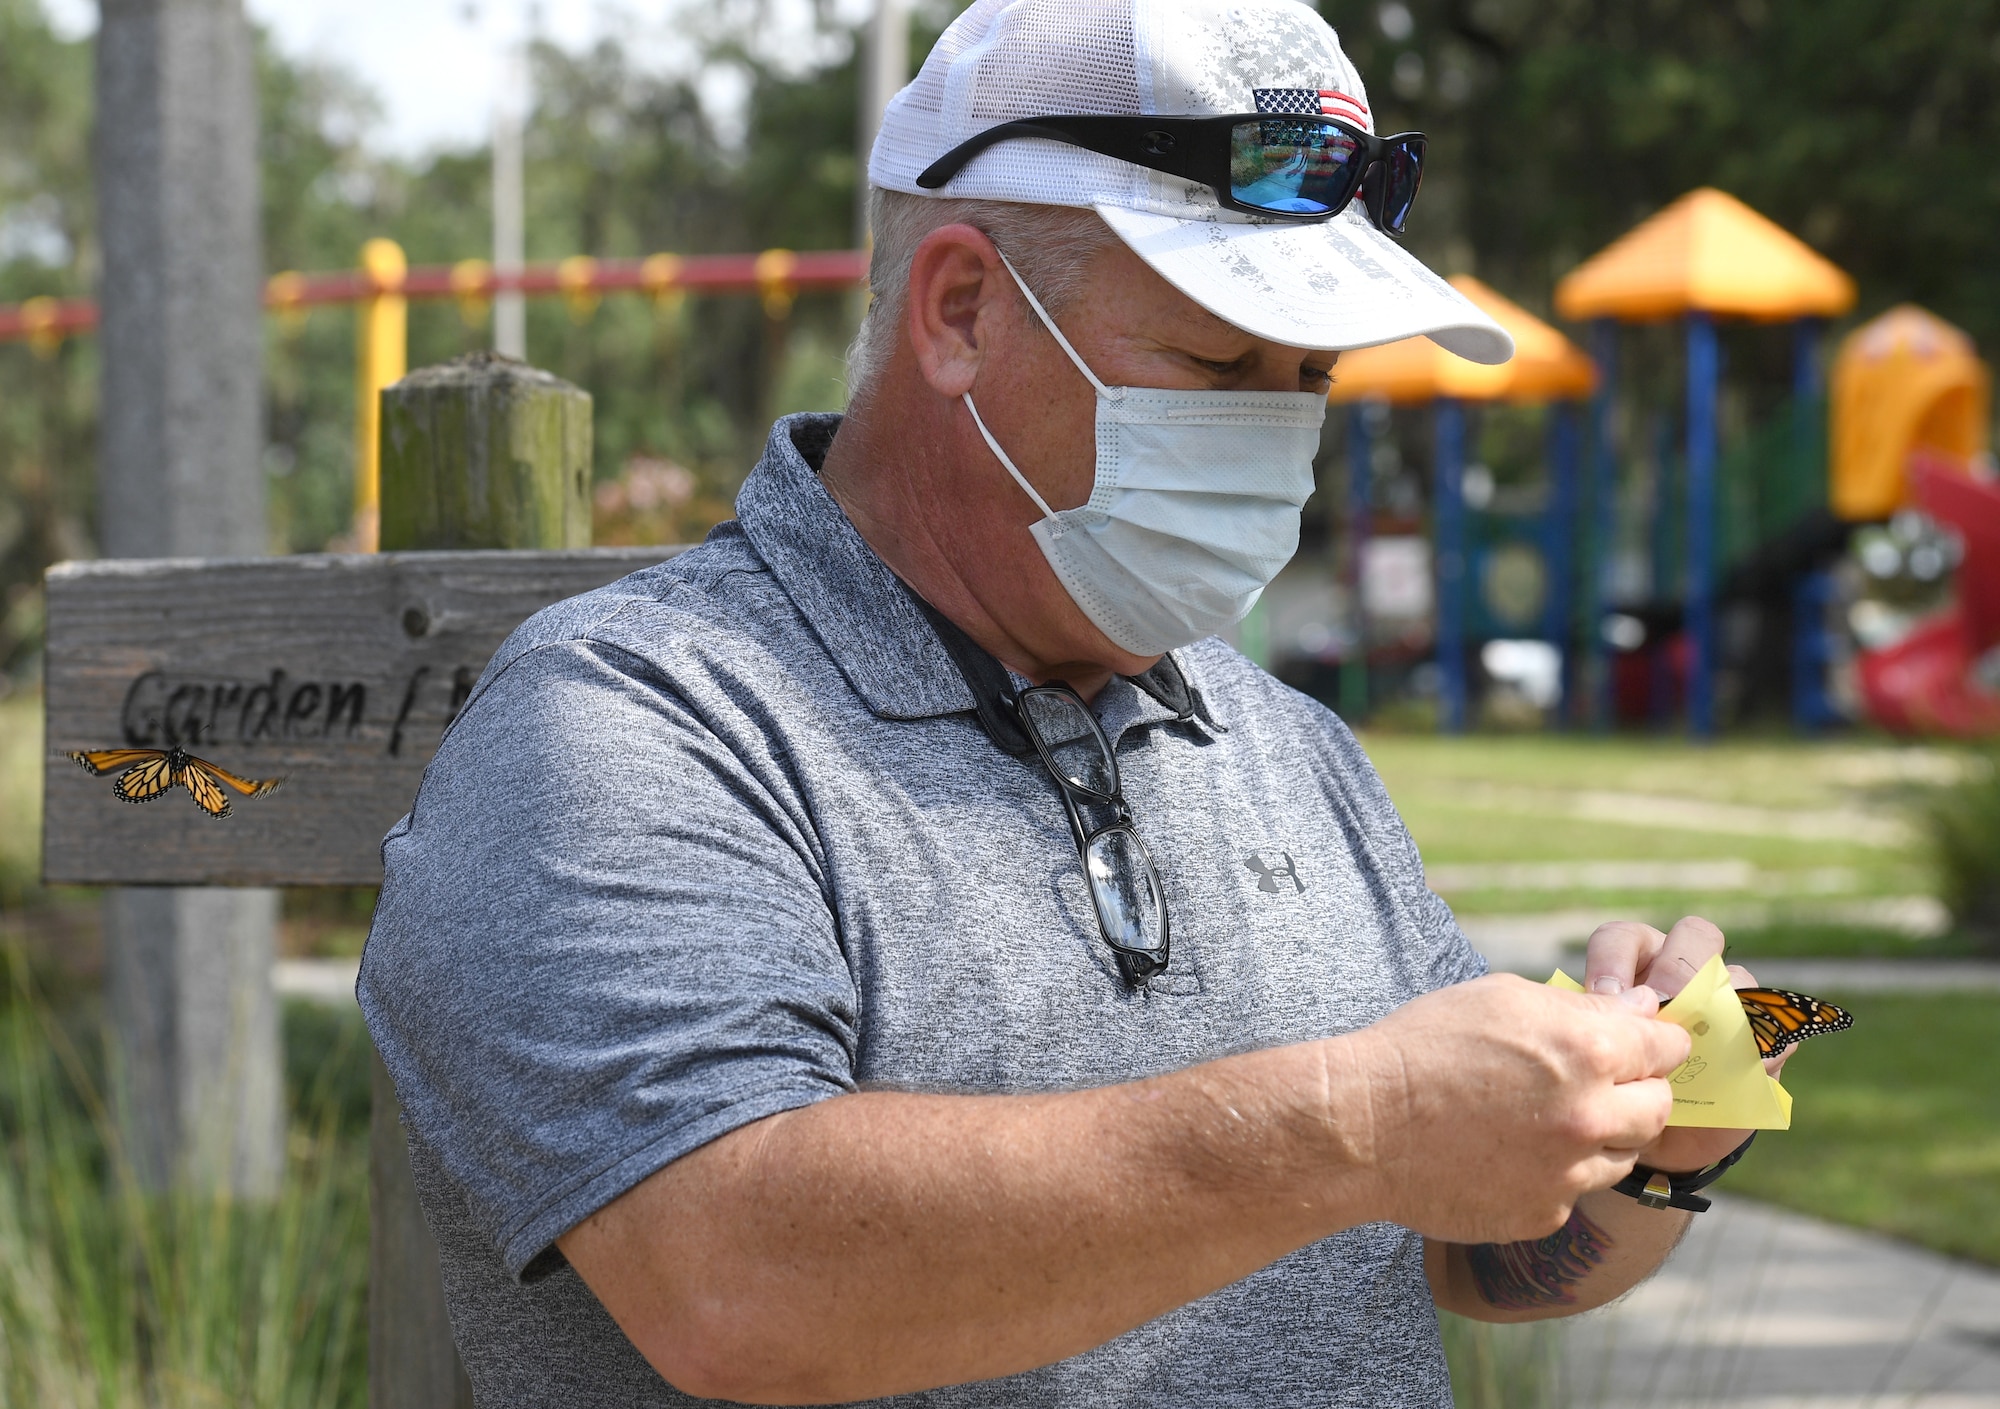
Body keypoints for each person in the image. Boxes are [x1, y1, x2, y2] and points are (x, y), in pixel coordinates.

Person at [359, 0, 1785, 1403]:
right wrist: (1359, 1117)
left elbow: (1456, 1246)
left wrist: (1657, 1132)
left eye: (1310, 378)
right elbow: (735, 1277)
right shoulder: (635, 723)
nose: (1280, 431)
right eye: (1220, 363)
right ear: (962, 311)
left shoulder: (1284, 741)